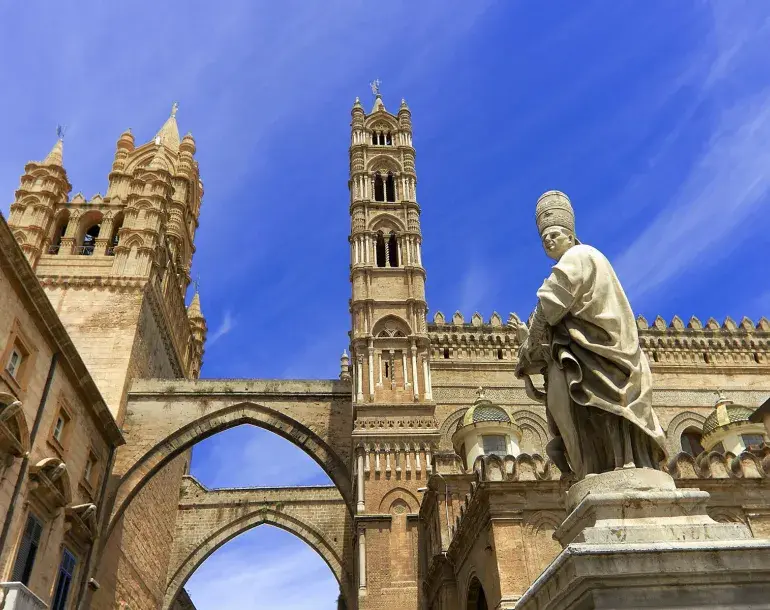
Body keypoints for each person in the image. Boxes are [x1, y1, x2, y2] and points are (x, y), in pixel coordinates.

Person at [514, 191, 666, 479]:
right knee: (600, 413)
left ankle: (613, 466)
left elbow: (549, 304)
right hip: (603, 349)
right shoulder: (590, 257)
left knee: (600, 409)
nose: (548, 240)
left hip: (596, 352)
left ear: (570, 236)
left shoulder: (578, 255)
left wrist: (529, 344)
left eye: (555, 234)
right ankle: (617, 464)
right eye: (544, 236)